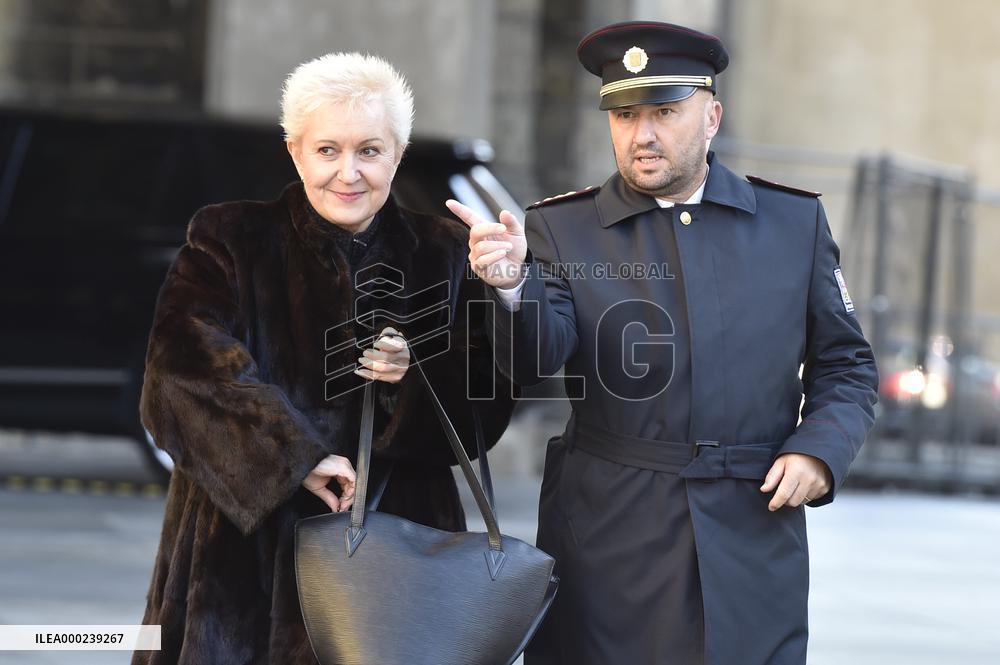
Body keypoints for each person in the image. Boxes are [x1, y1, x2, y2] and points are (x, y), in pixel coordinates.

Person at [448, 20, 878, 665]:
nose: (642, 134)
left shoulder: (794, 223)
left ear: (711, 117)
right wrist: (512, 286)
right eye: (623, 115)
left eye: (665, 112)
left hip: (753, 525)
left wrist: (819, 452)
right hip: (607, 531)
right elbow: (536, 361)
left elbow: (846, 364)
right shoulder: (561, 228)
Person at [133, 52, 513, 665]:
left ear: (398, 153)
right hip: (237, 563)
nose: (348, 172)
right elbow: (178, 373)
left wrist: (414, 373)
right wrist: (295, 458)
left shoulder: (444, 254)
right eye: (327, 150)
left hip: (398, 554)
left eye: (370, 150)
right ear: (295, 151)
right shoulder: (229, 239)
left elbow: (484, 407)